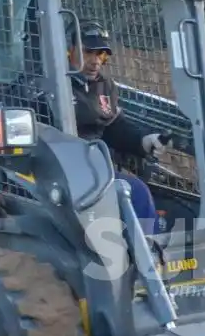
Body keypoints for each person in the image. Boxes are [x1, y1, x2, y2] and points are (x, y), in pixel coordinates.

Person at [67, 22, 169, 233]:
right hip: (66, 168)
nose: (95, 61)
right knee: (137, 193)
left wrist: (143, 140)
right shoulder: (52, 84)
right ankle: (148, 248)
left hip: (98, 167)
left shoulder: (105, 85)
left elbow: (113, 126)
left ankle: (143, 245)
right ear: (69, 49)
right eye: (88, 52)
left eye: (101, 54)